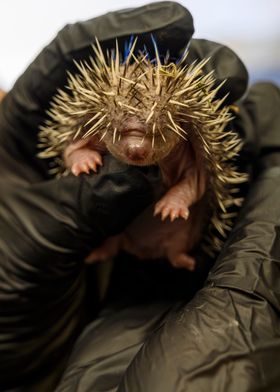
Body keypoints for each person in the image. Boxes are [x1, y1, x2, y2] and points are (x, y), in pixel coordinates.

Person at [1, 2, 280, 391]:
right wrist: (78, 155)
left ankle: (175, 252)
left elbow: (198, 180)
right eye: (124, 137)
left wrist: (180, 197)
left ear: (180, 125)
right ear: (103, 122)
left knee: (185, 231)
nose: (137, 152)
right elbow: (74, 144)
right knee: (104, 217)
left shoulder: (190, 142)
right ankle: (110, 247)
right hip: (118, 228)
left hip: (171, 231)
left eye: (154, 137)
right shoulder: (96, 119)